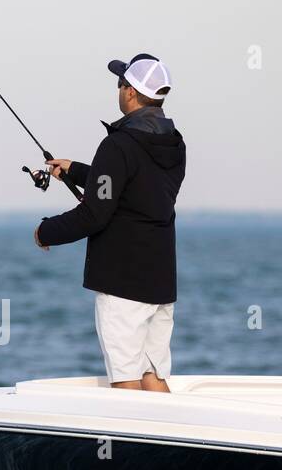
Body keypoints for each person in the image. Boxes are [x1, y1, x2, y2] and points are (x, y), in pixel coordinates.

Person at [34, 54, 186, 392]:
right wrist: (75, 170)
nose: (117, 90)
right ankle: (164, 444)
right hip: (160, 280)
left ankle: (135, 446)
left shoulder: (117, 145)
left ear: (130, 92)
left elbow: (95, 214)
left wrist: (46, 231)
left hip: (124, 284)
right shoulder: (174, 143)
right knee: (153, 375)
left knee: (126, 378)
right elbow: (136, 189)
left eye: (120, 83)